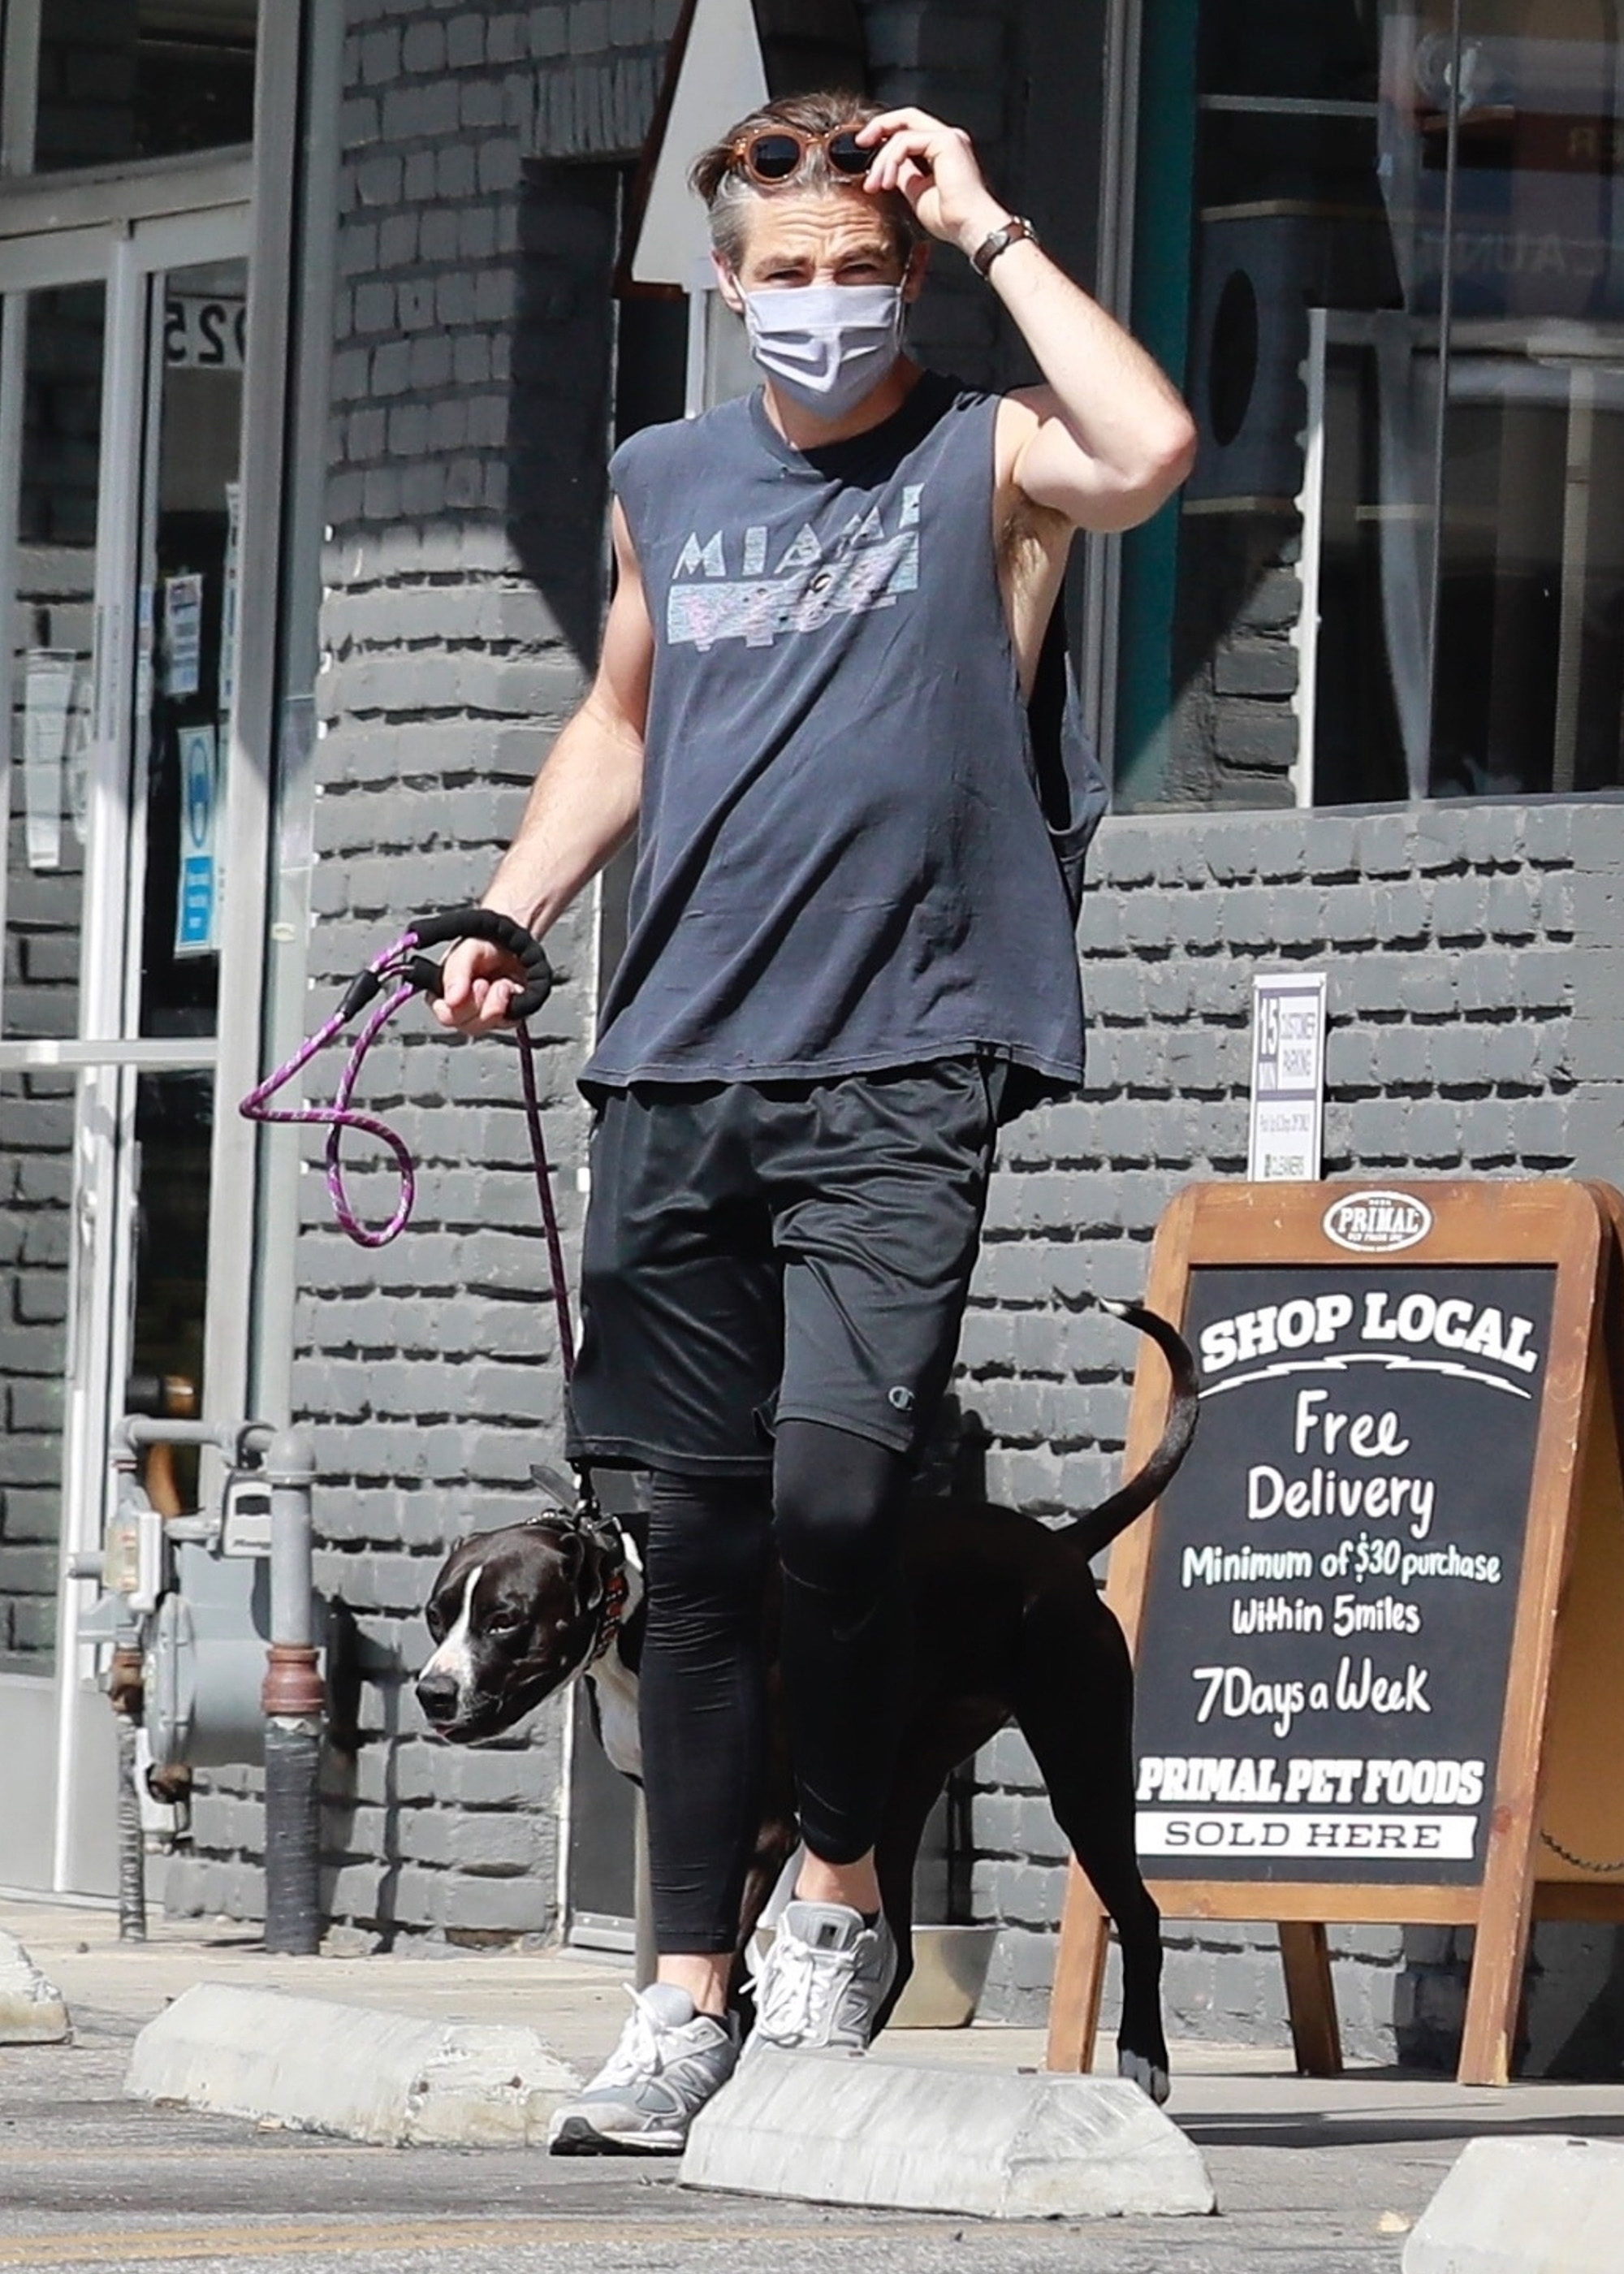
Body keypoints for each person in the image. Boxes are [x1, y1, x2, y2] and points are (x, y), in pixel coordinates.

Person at [434, 89, 1194, 2155]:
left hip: (903, 1060)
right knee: (695, 1549)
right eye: (790, 278)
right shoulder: (664, 476)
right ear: (728, 288)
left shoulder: (988, 453)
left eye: (865, 273)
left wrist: (995, 225)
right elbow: (618, 718)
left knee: (844, 1508)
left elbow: (1150, 452)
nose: (827, 310)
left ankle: (840, 1887)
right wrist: (513, 910)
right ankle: (688, 1982)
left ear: (912, 273)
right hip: (679, 1060)